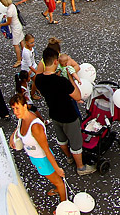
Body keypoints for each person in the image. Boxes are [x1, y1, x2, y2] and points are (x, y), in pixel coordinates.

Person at [35, 46, 96, 176]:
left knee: (61, 139)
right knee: (76, 143)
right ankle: (81, 167)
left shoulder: (39, 79)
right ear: (56, 61)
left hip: (54, 114)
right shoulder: (62, 81)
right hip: (68, 116)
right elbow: (77, 96)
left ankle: (68, 157)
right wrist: (69, 77)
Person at [8, 94, 66, 202]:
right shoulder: (21, 118)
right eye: (13, 109)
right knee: (52, 179)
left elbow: (46, 149)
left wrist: (57, 168)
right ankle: (58, 189)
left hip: (43, 159)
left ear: (25, 106)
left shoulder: (35, 127)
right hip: (35, 158)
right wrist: (12, 137)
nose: (15, 112)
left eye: (17, 108)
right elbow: (18, 128)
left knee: (58, 182)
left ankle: (64, 204)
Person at [0, 0, 24, 68]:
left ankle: (19, 60)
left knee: (16, 44)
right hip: (18, 25)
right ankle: (24, 56)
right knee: (21, 41)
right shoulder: (12, 6)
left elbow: (8, 22)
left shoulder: (9, 10)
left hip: (15, 28)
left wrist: (1, 25)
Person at [21, 33, 41, 101]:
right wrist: (36, 72)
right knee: (35, 80)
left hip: (33, 65)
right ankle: (32, 94)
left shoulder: (30, 48)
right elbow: (29, 65)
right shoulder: (26, 52)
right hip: (28, 68)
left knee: (35, 80)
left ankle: (35, 88)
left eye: (33, 42)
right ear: (26, 42)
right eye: (31, 42)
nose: (33, 44)